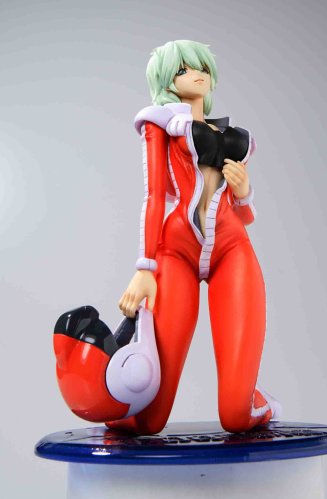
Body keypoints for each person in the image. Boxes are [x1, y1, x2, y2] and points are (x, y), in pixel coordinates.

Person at [107, 40, 281, 434]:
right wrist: (145, 267)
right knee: (148, 420)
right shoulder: (160, 123)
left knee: (236, 417)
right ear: (167, 81)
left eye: (200, 66)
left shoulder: (234, 135)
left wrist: (244, 191)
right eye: (183, 69)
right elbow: (154, 196)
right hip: (176, 251)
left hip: (231, 250)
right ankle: (107, 393)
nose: (196, 74)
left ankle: (260, 402)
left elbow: (245, 216)